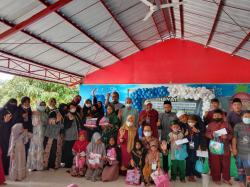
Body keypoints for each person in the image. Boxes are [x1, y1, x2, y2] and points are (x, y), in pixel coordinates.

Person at [205, 109, 233, 185]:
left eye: (218, 115)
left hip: (225, 146)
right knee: (215, 163)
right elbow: (206, 133)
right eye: (215, 115)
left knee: (226, 163)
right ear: (213, 116)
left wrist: (227, 136)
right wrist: (211, 135)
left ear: (222, 115)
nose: (216, 116)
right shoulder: (210, 124)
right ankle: (216, 178)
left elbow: (231, 134)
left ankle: (226, 178)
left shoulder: (227, 124)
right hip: (215, 146)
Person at [27, 101, 48, 171]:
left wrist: (41, 119)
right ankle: (33, 166)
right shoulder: (33, 113)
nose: (42, 106)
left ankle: (39, 166)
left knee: (40, 149)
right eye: (41, 105)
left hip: (42, 134)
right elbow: (32, 123)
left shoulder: (45, 114)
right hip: (34, 133)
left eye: (44, 105)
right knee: (33, 149)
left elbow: (46, 123)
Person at [43, 104, 65, 170]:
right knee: (51, 150)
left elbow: (61, 125)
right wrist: (57, 121)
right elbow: (50, 122)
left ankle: (55, 165)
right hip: (51, 135)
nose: (65, 109)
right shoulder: (54, 112)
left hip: (57, 135)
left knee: (57, 151)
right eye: (64, 108)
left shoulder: (61, 114)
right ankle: (49, 165)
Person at [232, 110, 250, 187]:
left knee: (248, 167)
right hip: (239, 151)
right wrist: (234, 149)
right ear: (242, 117)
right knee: (240, 167)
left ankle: (248, 182)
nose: (248, 118)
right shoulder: (237, 126)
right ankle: (241, 181)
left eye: (249, 117)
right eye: (246, 116)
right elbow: (234, 138)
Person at [63, 104, 79, 168]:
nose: (73, 108)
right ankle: (68, 164)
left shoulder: (76, 115)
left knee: (73, 150)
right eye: (71, 107)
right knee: (68, 150)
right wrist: (70, 120)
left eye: (74, 107)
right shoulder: (67, 115)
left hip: (75, 136)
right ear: (69, 109)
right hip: (69, 136)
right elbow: (66, 126)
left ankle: (73, 162)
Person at [186, 115, 202, 182]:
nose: (190, 123)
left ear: (195, 122)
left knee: (194, 160)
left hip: (195, 148)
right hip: (188, 147)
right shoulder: (187, 129)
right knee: (188, 160)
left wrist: (197, 132)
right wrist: (185, 134)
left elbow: (201, 138)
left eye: (192, 122)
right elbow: (184, 139)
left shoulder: (198, 129)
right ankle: (189, 174)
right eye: (189, 122)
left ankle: (194, 174)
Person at [0, 110, 13, 175]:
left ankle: (6, 171)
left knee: (7, 155)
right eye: (7, 116)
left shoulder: (9, 122)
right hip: (2, 141)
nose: (9, 117)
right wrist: (4, 122)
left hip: (7, 141)